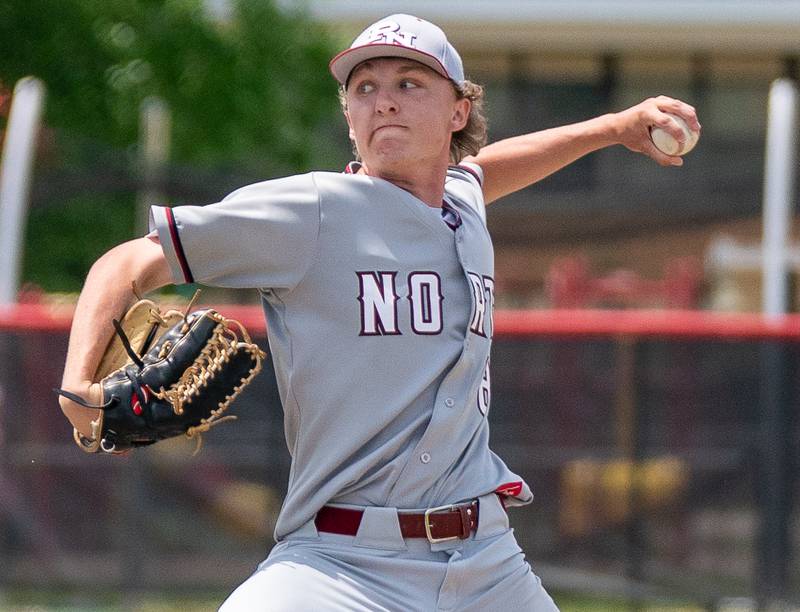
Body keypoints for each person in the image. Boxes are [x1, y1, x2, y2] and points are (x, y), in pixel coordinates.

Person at [58, 14, 700, 611]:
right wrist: (78, 384)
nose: (383, 99)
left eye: (410, 82)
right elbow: (127, 262)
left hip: (486, 562)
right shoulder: (312, 211)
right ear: (348, 117)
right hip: (339, 562)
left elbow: (487, 170)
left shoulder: (462, 203)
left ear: (460, 110)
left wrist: (613, 128)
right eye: (363, 87)